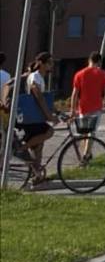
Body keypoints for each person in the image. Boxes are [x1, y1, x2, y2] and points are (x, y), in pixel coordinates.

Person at [21, 53, 58, 184]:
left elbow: (44, 99)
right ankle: (21, 149)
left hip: (36, 117)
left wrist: (56, 111)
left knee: (38, 148)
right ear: (41, 63)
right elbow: (39, 97)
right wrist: (49, 116)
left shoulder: (41, 77)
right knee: (50, 132)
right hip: (31, 117)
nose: (51, 65)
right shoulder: (35, 76)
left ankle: (37, 176)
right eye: (49, 62)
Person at [70, 52, 105, 161]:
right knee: (91, 132)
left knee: (84, 131)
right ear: (99, 61)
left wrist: (73, 109)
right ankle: (86, 154)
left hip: (83, 107)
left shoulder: (79, 74)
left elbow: (75, 93)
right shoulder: (102, 74)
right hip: (96, 107)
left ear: (89, 60)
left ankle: (86, 152)